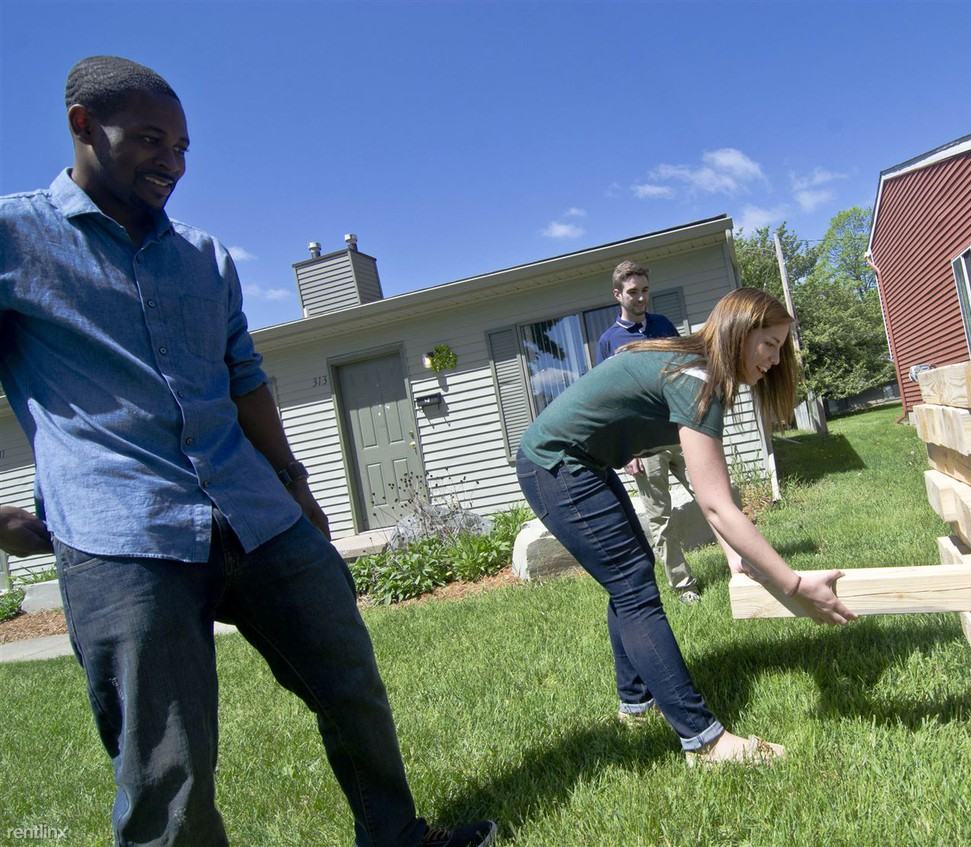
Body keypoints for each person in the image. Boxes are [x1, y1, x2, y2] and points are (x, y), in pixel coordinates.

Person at [0, 56, 495, 847]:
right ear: (82, 126)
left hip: (254, 510)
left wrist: (295, 484)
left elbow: (245, 379)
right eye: (152, 139)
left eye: (185, 146)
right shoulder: (16, 239)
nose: (173, 162)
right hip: (123, 533)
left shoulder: (204, 256)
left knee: (349, 680)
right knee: (169, 766)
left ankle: (396, 835)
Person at [518, 287, 853, 764]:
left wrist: (733, 554)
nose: (776, 361)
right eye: (770, 345)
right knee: (634, 588)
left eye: (781, 348)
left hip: (579, 461)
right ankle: (705, 741)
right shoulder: (696, 379)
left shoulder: (696, 367)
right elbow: (717, 505)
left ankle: (635, 703)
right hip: (556, 464)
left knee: (628, 578)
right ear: (740, 332)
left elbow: (707, 490)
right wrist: (796, 584)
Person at [597, 260, 701, 604]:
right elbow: (611, 400)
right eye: (632, 292)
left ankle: (743, 567)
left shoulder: (663, 325)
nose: (641, 298)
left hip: (679, 432)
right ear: (617, 294)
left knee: (715, 499)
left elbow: (683, 371)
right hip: (644, 447)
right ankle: (684, 586)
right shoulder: (609, 341)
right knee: (661, 519)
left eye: (644, 290)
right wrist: (625, 452)